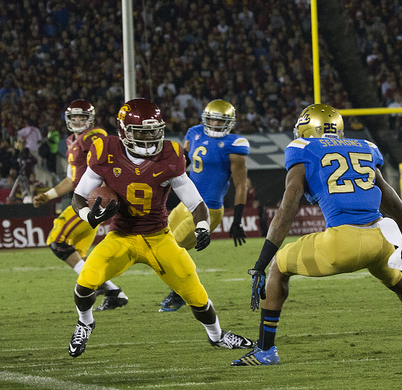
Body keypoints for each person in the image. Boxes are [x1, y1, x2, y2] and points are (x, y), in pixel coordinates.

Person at [231, 104, 402, 366]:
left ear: (309, 127)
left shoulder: (302, 150)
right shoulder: (364, 148)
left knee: (278, 268)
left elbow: (287, 211)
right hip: (381, 238)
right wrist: (401, 251)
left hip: (342, 243)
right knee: (398, 281)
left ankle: (265, 351)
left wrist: (261, 263)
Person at [67, 98, 253, 357]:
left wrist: (202, 226)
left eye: (155, 131)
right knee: (85, 282)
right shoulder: (106, 151)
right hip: (121, 236)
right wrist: (90, 217)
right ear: (124, 132)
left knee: (196, 295)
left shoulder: (170, 155)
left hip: (159, 238)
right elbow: (78, 196)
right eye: (142, 132)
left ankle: (218, 336)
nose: (150, 137)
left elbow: (195, 201)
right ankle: (85, 322)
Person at [33, 99, 129, 311]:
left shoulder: (94, 137)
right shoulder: (71, 141)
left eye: (82, 117)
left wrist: (104, 196)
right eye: (74, 117)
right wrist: (48, 195)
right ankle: (114, 293)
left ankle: (111, 291)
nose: (78, 121)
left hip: (89, 201)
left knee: (58, 242)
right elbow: (70, 179)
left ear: (90, 119)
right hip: (82, 197)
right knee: (77, 253)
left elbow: (108, 163)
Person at [159, 99, 250, 312]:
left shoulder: (234, 145)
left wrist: (237, 220)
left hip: (208, 209)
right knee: (159, 244)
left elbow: (241, 186)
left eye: (219, 122)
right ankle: (181, 292)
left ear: (229, 123)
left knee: (172, 251)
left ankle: (183, 294)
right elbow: (184, 162)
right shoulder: (194, 133)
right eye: (211, 120)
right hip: (185, 204)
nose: (215, 125)